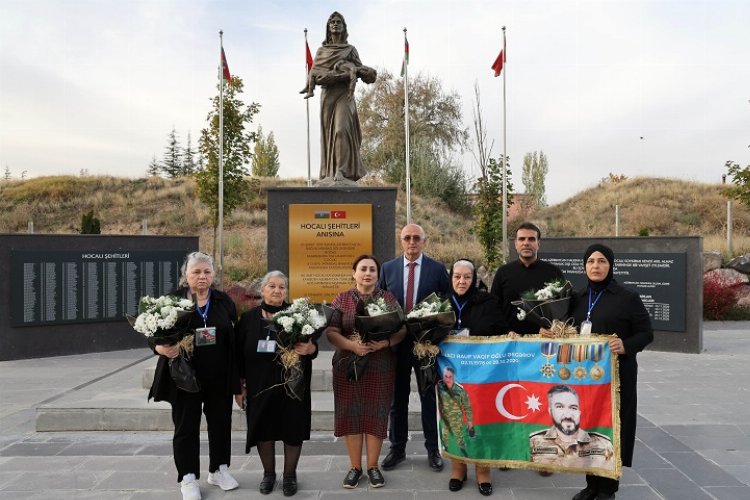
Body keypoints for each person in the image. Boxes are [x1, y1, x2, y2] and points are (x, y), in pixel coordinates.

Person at [147, 251, 240, 500]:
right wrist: (158, 346)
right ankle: (187, 476)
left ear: (213, 275)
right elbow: (150, 330)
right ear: (185, 275)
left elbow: (234, 341)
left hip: (218, 375)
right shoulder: (171, 301)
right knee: (186, 426)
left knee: (220, 424)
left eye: (207, 272)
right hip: (184, 377)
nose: (202, 276)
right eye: (196, 272)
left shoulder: (223, 302)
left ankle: (219, 469)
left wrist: (238, 382)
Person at [569, 244, 654, 500]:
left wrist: (626, 345)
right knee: (590, 427)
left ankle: (607, 488)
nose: (596, 266)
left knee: (613, 428)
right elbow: (570, 328)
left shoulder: (627, 297)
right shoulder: (579, 298)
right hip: (586, 378)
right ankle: (591, 484)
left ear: (611, 265)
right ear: (585, 266)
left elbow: (646, 333)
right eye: (591, 261)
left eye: (602, 261)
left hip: (618, 377)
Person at [326, 255, 407, 489]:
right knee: (350, 414)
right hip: (347, 365)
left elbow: (401, 329)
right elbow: (331, 331)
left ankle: (373, 467)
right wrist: (352, 345)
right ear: (354, 273)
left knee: (376, 414)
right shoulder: (342, 298)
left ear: (377, 275)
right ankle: (355, 468)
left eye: (372, 269)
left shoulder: (387, 298)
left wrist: (385, 343)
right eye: (363, 269)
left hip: (379, 364)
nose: (368, 273)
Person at [235, 271, 317, 496]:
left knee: (293, 428)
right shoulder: (249, 319)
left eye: (282, 287)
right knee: (263, 428)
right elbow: (238, 355)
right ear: (262, 290)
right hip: (259, 384)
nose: (277, 290)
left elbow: (312, 346)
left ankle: (290, 475)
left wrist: (311, 349)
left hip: (292, 384)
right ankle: (268, 474)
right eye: (272, 286)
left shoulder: (298, 315)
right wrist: (239, 386)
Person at [378, 223, 451, 472]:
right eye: (407, 238)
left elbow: (445, 303)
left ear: (424, 241)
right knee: (397, 399)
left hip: (425, 344)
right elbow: (380, 302)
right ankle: (397, 448)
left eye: (416, 238)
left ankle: (433, 449)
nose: (412, 242)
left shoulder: (438, 269)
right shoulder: (388, 269)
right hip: (397, 344)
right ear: (401, 241)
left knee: (429, 397)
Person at [443, 258, 510, 496]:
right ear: (451, 278)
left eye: (467, 277)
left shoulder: (488, 302)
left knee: (481, 421)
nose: (462, 281)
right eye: (457, 276)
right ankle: (458, 469)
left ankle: (483, 471)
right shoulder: (439, 303)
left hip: (483, 375)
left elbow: (502, 332)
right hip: (450, 374)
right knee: (454, 420)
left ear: (475, 280)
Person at [302, 11, 377, 183]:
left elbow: (363, 72)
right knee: (329, 135)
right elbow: (318, 76)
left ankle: (342, 171)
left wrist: (368, 73)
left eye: (338, 22)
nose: (335, 24)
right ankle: (330, 172)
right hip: (328, 96)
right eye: (332, 22)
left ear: (344, 27)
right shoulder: (322, 51)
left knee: (341, 130)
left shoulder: (351, 50)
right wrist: (340, 76)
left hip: (346, 94)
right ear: (328, 28)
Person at [490, 222, 565, 335]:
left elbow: (563, 307)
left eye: (531, 239)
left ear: (538, 244)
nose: (526, 243)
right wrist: (506, 330)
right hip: (510, 341)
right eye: (521, 239)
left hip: (544, 340)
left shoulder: (553, 272)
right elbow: (494, 309)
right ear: (516, 244)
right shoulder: (503, 273)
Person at [529, 385, 615, 469]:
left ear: (579, 412)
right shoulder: (533, 442)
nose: (567, 414)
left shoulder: (602, 444)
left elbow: (608, 478)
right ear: (551, 411)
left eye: (573, 408)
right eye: (560, 407)